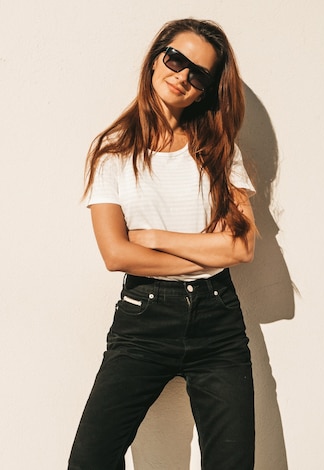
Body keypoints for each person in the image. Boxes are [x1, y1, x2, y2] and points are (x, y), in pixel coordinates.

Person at [68, 19, 256, 470]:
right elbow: (116, 254)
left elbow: (242, 249)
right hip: (143, 320)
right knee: (90, 460)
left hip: (219, 322)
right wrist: (206, 250)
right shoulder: (112, 152)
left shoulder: (219, 149)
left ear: (207, 89)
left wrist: (154, 239)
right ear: (155, 59)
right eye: (175, 59)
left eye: (200, 73)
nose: (183, 76)